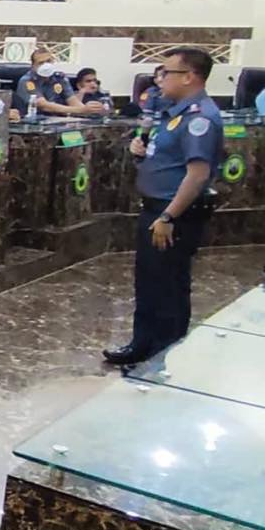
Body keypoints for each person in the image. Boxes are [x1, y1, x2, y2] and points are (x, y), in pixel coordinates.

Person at [104, 48, 223, 365]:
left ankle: (166, 355)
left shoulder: (200, 118)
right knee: (150, 282)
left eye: (166, 73)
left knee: (168, 286)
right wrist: (140, 152)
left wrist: (169, 216)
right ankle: (142, 344)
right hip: (155, 209)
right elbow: (168, 160)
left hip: (173, 215)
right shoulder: (173, 113)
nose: (160, 80)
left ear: (189, 76)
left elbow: (197, 176)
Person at [12, 48, 106, 117]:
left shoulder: (59, 78)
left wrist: (89, 111)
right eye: (41, 63)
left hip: (57, 119)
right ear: (33, 66)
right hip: (34, 120)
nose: (46, 65)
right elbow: (44, 105)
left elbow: (73, 101)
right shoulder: (28, 80)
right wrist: (81, 110)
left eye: (48, 61)